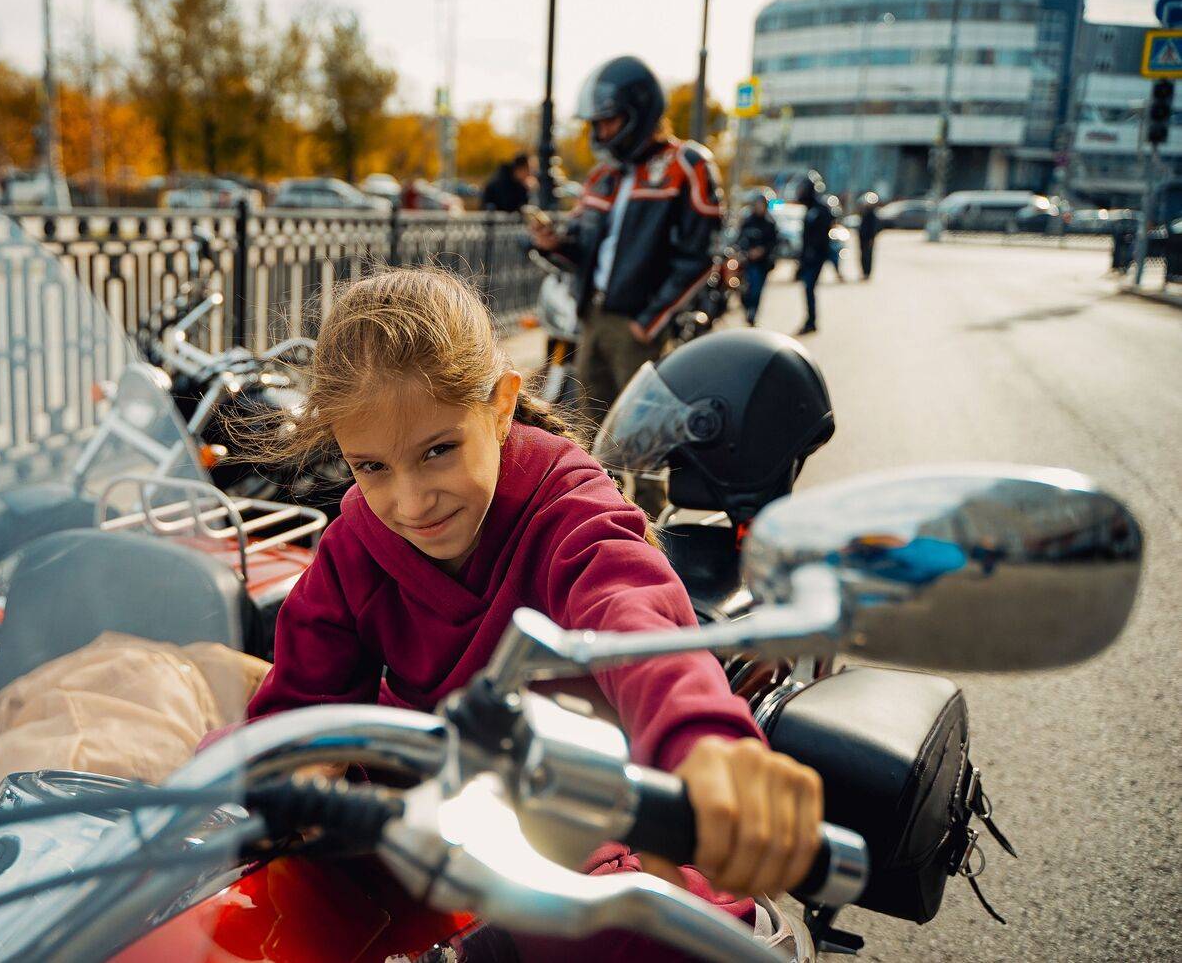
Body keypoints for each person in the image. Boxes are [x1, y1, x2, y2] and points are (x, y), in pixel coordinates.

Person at [207, 266, 824, 957]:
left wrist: (706, 744)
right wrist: (276, 775)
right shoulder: (354, 542)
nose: (410, 502)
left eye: (438, 451)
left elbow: (635, 622)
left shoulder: (572, 508)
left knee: (621, 925)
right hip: (441, 807)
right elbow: (299, 706)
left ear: (501, 406)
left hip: (585, 808)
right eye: (371, 466)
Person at [529, 56, 722, 463]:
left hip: (637, 326)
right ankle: (601, 502)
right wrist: (553, 243)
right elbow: (581, 250)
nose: (599, 132)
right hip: (592, 317)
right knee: (591, 432)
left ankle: (648, 507)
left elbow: (700, 257)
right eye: (595, 123)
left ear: (639, 113)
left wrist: (649, 322)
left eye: (608, 121)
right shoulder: (604, 175)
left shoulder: (686, 165)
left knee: (643, 438)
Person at [794, 173, 833, 335]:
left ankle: (811, 321)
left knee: (809, 287)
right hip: (808, 258)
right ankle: (810, 320)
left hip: (816, 258)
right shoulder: (810, 209)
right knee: (807, 288)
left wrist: (813, 253)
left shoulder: (820, 209)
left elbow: (822, 236)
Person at [736, 193, 778, 326]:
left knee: (757, 289)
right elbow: (740, 240)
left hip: (763, 263)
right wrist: (747, 252)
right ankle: (748, 309)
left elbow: (774, 243)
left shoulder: (769, 223)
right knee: (745, 290)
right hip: (747, 262)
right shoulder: (748, 221)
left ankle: (753, 313)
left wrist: (762, 251)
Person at [857, 192, 882, 280]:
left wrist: (872, 238)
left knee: (867, 256)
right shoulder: (865, 213)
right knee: (863, 255)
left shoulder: (872, 214)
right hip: (863, 238)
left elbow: (873, 228)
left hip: (868, 239)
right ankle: (864, 272)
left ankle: (867, 272)